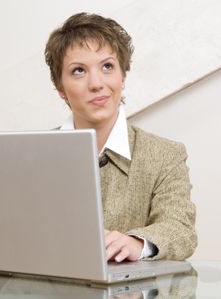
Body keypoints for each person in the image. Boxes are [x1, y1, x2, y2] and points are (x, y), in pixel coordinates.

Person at [44, 12, 197, 262]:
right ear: (61, 89)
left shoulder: (166, 155)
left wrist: (136, 243)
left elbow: (180, 229)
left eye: (107, 67)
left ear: (122, 77)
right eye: (79, 71)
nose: (96, 83)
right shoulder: (33, 155)